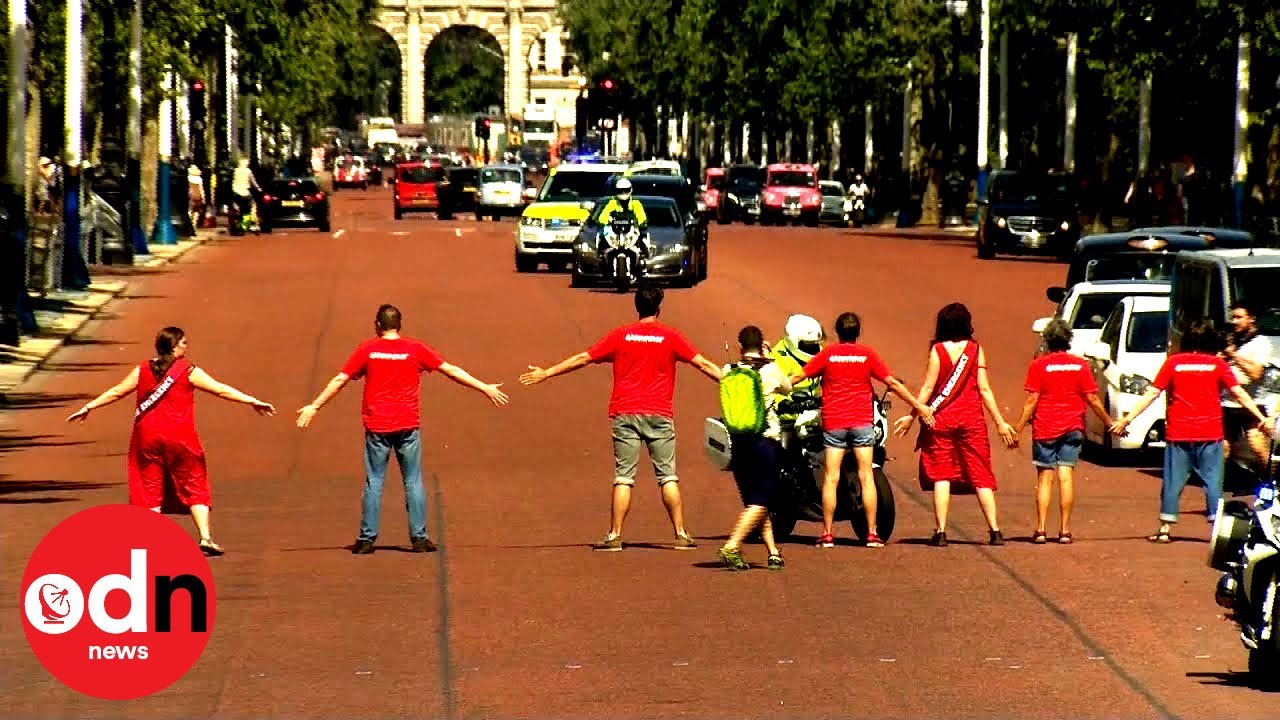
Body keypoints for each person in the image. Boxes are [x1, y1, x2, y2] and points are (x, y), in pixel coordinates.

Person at [520, 285, 721, 551]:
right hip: (659, 413)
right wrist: (734, 383)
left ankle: (615, 535)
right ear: (659, 307)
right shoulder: (670, 336)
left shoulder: (621, 336)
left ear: (637, 306)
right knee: (668, 476)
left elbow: (584, 358)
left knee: (624, 477)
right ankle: (681, 534)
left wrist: (548, 372)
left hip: (625, 412)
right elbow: (703, 364)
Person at [297, 304, 509, 555]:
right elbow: (450, 370)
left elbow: (340, 379)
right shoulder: (415, 349)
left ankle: (366, 540)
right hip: (407, 425)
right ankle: (419, 538)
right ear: (399, 324)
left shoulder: (368, 350)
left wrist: (315, 406)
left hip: (378, 426)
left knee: (374, 481)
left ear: (377, 325)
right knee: (413, 480)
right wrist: (484, 387)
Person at [67, 327, 276, 556]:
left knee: (149, 489)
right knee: (195, 483)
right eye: (184, 342)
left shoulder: (143, 369)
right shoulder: (187, 371)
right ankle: (205, 537)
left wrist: (89, 407)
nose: (187, 346)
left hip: (146, 437)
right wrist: (252, 401)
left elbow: (117, 392)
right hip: (180, 437)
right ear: (174, 346)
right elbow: (220, 390)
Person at [1112, 318, 1274, 542]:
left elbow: (1151, 393)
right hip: (1209, 432)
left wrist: (1126, 419)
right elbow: (1239, 394)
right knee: (1213, 482)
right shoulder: (1218, 365)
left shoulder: (1174, 363)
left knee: (1172, 481)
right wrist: (1260, 417)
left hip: (1179, 432)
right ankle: (1215, 529)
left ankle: (1165, 528)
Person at [790, 312, 936, 549]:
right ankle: (871, 533)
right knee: (866, 476)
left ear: (837, 332)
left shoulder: (828, 354)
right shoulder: (867, 355)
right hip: (862, 423)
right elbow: (892, 383)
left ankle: (827, 534)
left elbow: (797, 377)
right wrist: (918, 406)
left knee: (831, 477)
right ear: (858, 333)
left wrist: (775, 385)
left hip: (834, 423)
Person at [894, 303, 1016, 547]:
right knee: (981, 474)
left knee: (941, 475)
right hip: (971, 419)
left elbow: (928, 387)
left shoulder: (938, 350)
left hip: (940, 419)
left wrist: (912, 413)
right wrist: (1000, 422)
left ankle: (940, 532)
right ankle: (995, 530)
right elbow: (984, 389)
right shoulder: (975, 350)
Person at [1013, 319, 1115, 544]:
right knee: (1066, 476)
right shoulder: (1080, 366)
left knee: (1045, 478)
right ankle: (1065, 530)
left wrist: (1017, 428)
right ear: (1068, 340)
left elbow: (1032, 401)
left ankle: (1040, 530)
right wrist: (1109, 422)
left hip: (1046, 428)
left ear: (1047, 340)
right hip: (1073, 427)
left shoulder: (1039, 365)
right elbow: (1093, 399)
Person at [716, 325, 792, 571]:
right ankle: (732, 545)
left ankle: (772, 552)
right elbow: (788, 388)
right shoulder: (770, 370)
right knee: (762, 498)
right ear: (762, 344)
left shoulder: (729, 370)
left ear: (739, 347)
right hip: (764, 442)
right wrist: (770, 357)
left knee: (754, 500)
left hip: (738, 442)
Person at [1222, 301, 1273, 473]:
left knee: (1257, 444)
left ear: (1251, 319)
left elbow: (1256, 374)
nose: (1234, 322)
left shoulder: (1261, 343)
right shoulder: (1229, 340)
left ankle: (1272, 481)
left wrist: (1234, 356)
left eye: (1239, 317)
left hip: (1252, 403)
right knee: (1223, 449)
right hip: (1227, 403)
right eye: (1233, 318)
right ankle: (1217, 487)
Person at [770, 314, 824, 428]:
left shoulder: (820, 353)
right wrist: (790, 406)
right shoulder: (777, 359)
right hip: (787, 419)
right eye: (808, 345)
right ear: (793, 341)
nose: (813, 348)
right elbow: (772, 392)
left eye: (815, 344)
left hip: (813, 414)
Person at [231, 156, 260, 224]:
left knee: (236, 203)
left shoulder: (235, 171)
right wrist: (259, 189)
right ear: (243, 162)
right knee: (253, 204)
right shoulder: (248, 171)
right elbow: (253, 182)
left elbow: (232, 180)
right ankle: (251, 219)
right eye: (247, 161)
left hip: (235, 191)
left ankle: (237, 210)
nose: (248, 163)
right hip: (245, 192)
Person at [188, 165, 206, 229]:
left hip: (190, 196)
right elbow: (201, 189)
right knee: (196, 211)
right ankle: (194, 225)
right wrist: (203, 197)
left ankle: (189, 223)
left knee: (190, 210)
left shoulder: (188, 178)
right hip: (198, 196)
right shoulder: (199, 179)